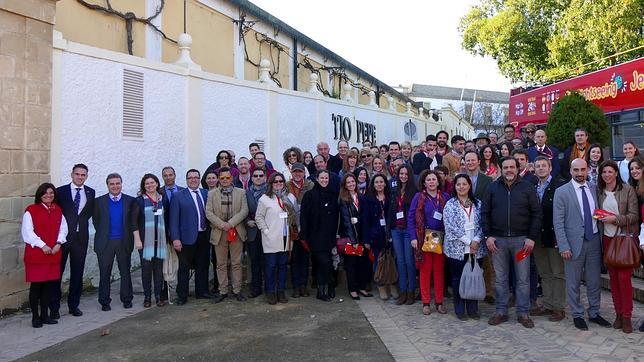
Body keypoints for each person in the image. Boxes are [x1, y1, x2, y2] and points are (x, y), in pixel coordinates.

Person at [482, 157, 541, 329]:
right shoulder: (492, 188)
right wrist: (488, 236)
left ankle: (523, 313)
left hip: (521, 241)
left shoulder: (527, 188)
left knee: (523, 279)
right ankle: (501, 311)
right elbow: (484, 213)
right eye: (505, 167)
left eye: (512, 167)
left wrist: (531, 237)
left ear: (517, 168)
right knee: (500, 279)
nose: (509, 170)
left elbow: (536, 214)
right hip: (498, 242)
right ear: (500, 169)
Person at [553, 158, 612, 331]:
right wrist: (563, 246)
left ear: (587, 170)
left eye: (583, 170)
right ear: (571, 171)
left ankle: (594, 313)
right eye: (576, 170)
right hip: (572, 243)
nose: (580, 173)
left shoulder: (594, 188)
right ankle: (577, 314)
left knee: (594, 281)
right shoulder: (562, 192)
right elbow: (558, 221)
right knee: (573, 281)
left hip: (594, 240)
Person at [596, 160, 639, 333]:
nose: (607, 175)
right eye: (604, 172)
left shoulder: (627, 190)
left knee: (624, 280)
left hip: (624, 240)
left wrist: (615, 219)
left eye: (610, 171)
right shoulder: (599, 192)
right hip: (607, 239)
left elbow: (634, 216)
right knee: (613, 280)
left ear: (616, 173)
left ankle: (627, 316)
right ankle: (618, 314)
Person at [50, 164, 95, 319]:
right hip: (62, 239)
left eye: (83, 175)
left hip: (80, 239)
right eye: (77, 174)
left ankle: (73, 305)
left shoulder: (90, 192)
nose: (80, 177)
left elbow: (87, 214)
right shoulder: (60, 191)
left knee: (77, 273)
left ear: (86, 176)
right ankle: (54, 307)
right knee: (57, 273)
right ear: (72, 174)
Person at [22, 183, 68, 328]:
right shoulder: (31, 210)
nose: (49, 195)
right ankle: (35, 317)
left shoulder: (58, 210)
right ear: (40, 195)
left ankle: (45, 315)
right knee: (36, 287)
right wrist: (43, 245)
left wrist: (58, 243)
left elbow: (63, 229)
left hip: (53, 254)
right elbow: (28, 232)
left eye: (51, 193)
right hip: (37, 255)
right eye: (45, 193)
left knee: (49, 287)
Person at [443, 174, 487, 320]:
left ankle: (473, 309)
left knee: (473, 277)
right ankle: (460, 308)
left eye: (464, 184)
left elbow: (483, 223)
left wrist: (476, 240)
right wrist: (468, 242)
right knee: (458, 279)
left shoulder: (478, 204)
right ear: (454, 187)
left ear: (469, 186)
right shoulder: (450, 204)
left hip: (476, 249)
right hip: (457, 249)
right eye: (458, 184)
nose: (461, 187)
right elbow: (450, 227)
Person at [93, 173, 137, 311]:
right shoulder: (99, 201)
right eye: (112, 184)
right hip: (105, 243)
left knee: (125, 272)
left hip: (124, 242)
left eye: (117, 183)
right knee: (104, 273)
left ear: (121, 184)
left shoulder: (130, 201)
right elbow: (96, 221)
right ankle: (104, 301)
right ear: (107, 185)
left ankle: (127, 298)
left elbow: (132, 221)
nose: (115, 186)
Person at [408, 170, 450, 315]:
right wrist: (413, 237)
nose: (431, 182)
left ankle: (439, 302)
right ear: (424, 183)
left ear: (438, 181)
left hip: (441, 238)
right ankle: (426, 302)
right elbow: (411, 218)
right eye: (428, 180)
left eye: (434, 179)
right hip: (424, 237)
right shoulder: (418, 197)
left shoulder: (445, 196)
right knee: (425, 271)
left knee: (439, 271)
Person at [169, 169, 213, 305]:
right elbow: (173, 219)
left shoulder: (206, 194)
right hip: (186, 238)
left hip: (204, 235)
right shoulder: (178, 196)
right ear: (186, 179)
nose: (193, 180)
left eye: (196, 177)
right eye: (190, 178)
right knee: (184, 268)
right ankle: (182, 295)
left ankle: (202, 291)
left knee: (203, 265)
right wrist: (175, 238)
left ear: (200, 179)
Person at [530, 156, 566, 322]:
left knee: (557, 272)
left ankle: (558, 307)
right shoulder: (532, 186)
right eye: (538, 166)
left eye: (544, 166)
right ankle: (548, 304)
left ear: (550, 168)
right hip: (537, 236)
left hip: (554, 235)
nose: (541, 168)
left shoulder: (559, 185)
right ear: (534, 169)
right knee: (544, 272)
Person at [206, 167, 249, 303]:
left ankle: (237, 290)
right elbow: (208, 212)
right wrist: (222, 224)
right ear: (219, 179)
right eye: (222, 178)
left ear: (232, 178)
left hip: (236, 231)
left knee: (237, 263)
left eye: (227, 178)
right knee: (221, 264)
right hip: (219, 232)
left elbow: (244, 210)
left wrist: (230, 223)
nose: (225, 180)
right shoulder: (211, 194)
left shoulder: (241, 192)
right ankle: (223, 291)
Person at [255, 173, 299, 304]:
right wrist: (266, 231)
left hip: (286, 238)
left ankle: (281, 291)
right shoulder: (265, 199)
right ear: (271, 184)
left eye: (281, 181)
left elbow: (295, 214)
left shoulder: (290, 197)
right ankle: (270, 292)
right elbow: (259, 217)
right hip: (271, 238)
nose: (279, 183)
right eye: (275, 181)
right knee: (270, 266)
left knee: (283, 266)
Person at [300, 170, 340, 301]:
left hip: (330, 236)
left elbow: (336, 217)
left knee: (327, 263)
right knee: (324, 262)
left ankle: (326, 288)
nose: (324, 180)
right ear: (317, 179)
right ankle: (325, 287)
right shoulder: (309, 196)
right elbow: (304, 217)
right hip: (315, 236)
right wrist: (304, 236)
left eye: (326, 178)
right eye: (321, 178)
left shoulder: (333, 195)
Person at [132, 174, 170, 308]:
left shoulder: (163, 199)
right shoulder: (139, 201)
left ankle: (159, 296)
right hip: (144, 241)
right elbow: (134, 222)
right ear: (143, 186)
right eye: (147, 183)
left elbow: (167, 219)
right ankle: (147, 297)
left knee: (158, 270)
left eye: (152, 182)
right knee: (146, 270)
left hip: (159, 240)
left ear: (157, 184)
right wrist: (137, 239)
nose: (150, 185)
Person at [339, 173, 373, 301]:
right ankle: (353, 289)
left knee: (362, 263)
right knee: (351, 265)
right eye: (348, 183)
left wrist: (365, 239)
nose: (351, 184)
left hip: (362, 236)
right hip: (350, 237)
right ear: (345, 185)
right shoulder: (343, 199)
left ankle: (362, 287)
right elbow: (346, 221)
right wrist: (353, 240)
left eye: (353, 182)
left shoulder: (362, 197)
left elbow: (366, 219)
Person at [388, 164, 417, 305]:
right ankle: (403, 291)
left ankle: (411, 290)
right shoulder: (394, 190)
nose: (403, 176)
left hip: (408, 230)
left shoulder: (415, 191)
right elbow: (390, 210)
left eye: (406, 174)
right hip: (396, 229)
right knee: (399, 261)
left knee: (409, 261)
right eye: (401, 174)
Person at [287, 163, 315, 297]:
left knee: (305, 259)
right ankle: (296, 286)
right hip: (291, 228)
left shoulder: (310, 185)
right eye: (295, 172)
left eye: (300, 172)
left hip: (307, 227)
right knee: (294, 259)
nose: (297, 174)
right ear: (291, 173)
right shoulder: (286, 186)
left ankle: (304, 286)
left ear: (304, 173)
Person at [364, 174, 393, 300]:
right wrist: (366, 239)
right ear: (373, 184)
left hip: (389, 233)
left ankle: (391, 283)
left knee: (391, 260)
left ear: (385, 183)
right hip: (375, 235)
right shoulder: (368, 199)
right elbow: (365, 220)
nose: (379, 184)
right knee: (378, 260)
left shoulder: (390, 197)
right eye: (377, 182)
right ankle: (380, 285)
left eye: (382, 182)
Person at [245, 167, 268, 298]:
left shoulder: (270, 192)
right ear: (251, 178)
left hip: (266, 231)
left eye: (260, 176)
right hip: (253, 230)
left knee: (267, 261)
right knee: (254, 261)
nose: (258, 178)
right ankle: (256, 288)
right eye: (255, 176)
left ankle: (269, 287)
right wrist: (247, 220)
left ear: (265, 177)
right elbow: (243, 210)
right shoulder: (246, 193)